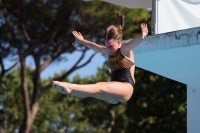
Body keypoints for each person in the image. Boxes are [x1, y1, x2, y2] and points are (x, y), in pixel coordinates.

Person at [52, 11, 148, 104]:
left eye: (111, 46)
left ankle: (70, 87)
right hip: (113, 93)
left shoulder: (125, 50)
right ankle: (71, 91)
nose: (108, 49)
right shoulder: (107, 50)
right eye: (107, 45)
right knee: (92, 92)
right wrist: (82, 41)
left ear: (119, 42)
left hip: (126, 88)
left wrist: (142, 36)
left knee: (99, 86)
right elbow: (95, 47)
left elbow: (134, 42)